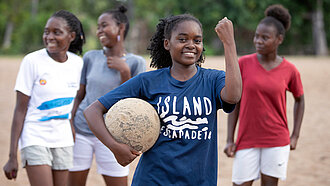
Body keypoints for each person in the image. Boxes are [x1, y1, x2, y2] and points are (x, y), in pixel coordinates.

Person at [83, 13, 242, 185]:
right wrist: (115, 148)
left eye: (197, 41)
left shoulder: (213, 79)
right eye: (182, 39)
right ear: (167, 43)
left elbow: (233, 96)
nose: (191, 45)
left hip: (199, 181)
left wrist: (229, 43)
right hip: (153, 179)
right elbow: (92, 111)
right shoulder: (148, 81)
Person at [223, 4, 305, 186]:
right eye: (257, 36)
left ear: (279, 39)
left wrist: (295, 136)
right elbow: (234, 102)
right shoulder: (243, 64)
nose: (258, 41)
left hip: (276, 140)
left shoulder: (290, 70)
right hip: (246, 139)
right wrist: (230, 139)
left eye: (265, 38)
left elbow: (300, 99)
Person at [3, 10, 85, 186]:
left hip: (63, 139)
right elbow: (20, 110)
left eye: (57, 32)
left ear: (71, 36)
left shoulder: (78, 64)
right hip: (35, 136)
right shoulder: (32, 61)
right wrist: (12, 156)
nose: (49, 37)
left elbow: (79, 99)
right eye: (46, 31)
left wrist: (71, 126)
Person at [68, 5, 146, 186]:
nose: (99, 31)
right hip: (81, 131)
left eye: (104, 25)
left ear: (121, 28)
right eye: (98, 27)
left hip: (114, 136)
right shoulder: (90, 57)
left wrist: (124, 72)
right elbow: (80, 95)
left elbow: (134, 105)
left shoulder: (136, 62)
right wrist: (70, 122)